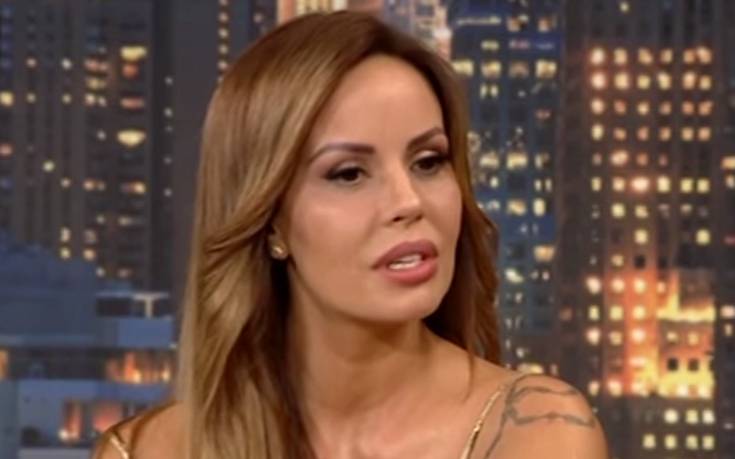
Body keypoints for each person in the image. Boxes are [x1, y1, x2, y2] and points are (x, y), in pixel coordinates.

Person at [93, 11, 608, 459]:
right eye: (349, 174)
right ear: (270, 221)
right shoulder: (144, 451)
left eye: (429, 161)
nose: (408, 202)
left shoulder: (537, 432)